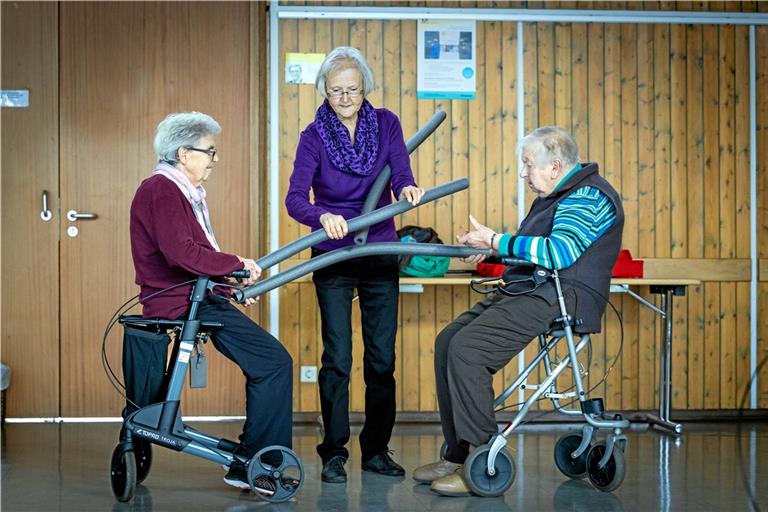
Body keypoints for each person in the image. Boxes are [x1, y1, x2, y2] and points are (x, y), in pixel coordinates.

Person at [413, 126, 624, 497]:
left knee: (469, 350)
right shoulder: (556, 194)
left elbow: (558, 253)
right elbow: (534, 249)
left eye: (528, 166)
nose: (524, 174)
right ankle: (459, 452)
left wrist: (497, 241)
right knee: (448, 341)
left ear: (556, 166)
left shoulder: (589, 195)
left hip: (563, 298)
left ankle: (483, 457)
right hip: (532, 290)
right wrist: (493, 249)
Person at [130, 112, 293, 492]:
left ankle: (253, 457)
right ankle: (260, 462)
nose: (214, 160)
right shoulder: (162, 190)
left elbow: (191, 258)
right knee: (274, 362)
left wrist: (226, 286)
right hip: (183, 302)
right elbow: (181, 252)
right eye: (209, 152)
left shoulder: (177, 191)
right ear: (184, 153)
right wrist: (236, 265)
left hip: (193, 297)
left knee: (269, 362)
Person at [285, 46, 424, 484]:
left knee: (382, 359)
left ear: (365, 89)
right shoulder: (312, 135)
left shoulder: (386, 124)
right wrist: (320, 216)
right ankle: (334, 452)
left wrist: (407, 189)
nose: (345, 98)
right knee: (338, 359)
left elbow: (400, 171)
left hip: (379, 250)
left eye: (353, 89)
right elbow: (295, 199)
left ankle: (377, 451)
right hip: (334, 254)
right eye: (336, 91)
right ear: (324, 92)